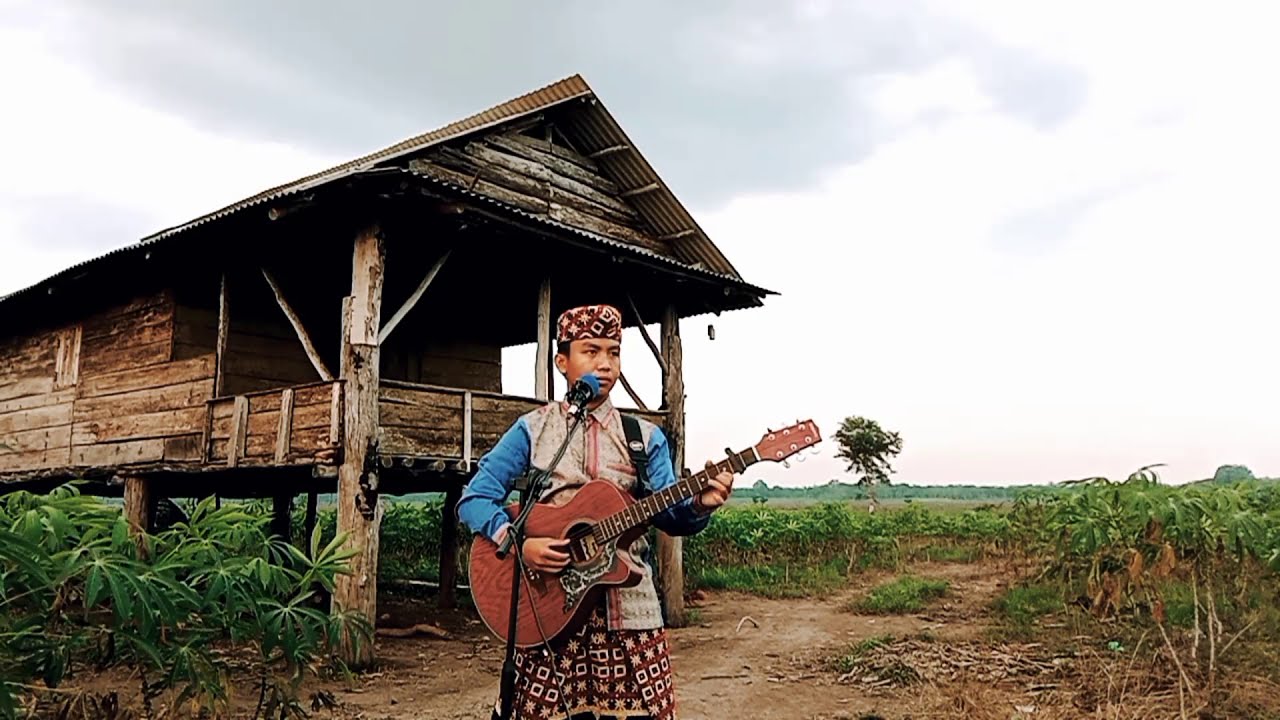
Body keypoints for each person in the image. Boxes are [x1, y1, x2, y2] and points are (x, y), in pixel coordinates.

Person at [456, 303, 734, 720]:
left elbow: (669, 514)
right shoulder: (534, 428)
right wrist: (518, 544)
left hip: (630, 615)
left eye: (614, 352)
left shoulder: (644, 438)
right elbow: (476, 497)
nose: (605, 363)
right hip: (550, 611)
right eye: (591, 351)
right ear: (562, 361)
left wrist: (698, 503)